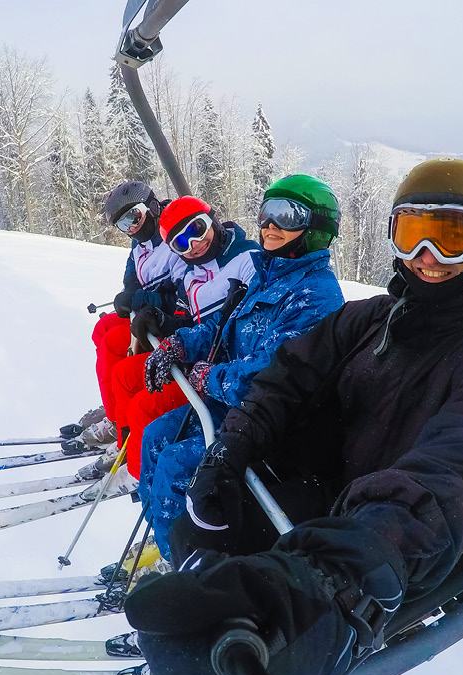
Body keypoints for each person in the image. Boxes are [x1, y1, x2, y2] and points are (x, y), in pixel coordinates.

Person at [123, 158, 463, 675]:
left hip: (370, 545)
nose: (427, 259)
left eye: (451, 239)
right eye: (413, 235)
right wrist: (230, 451)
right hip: (313, 496)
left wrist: (339, 573)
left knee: (262, 607)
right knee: (193, 530)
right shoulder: (371, 319)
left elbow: (460, 467)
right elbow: (285, 379)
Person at [134, 174, 346, 560]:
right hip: (235, 406)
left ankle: (193, 564)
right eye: (267, 213)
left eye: (287, 216)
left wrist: (206, 377)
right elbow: (225, 323)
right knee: (154, 437)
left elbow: (268, 377)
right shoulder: (269, 272)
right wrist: (179, 344)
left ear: (316, 227)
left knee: (176, 465)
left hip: (272, 424)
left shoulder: (313, 296)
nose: (269, 226)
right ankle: (170, 538)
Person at [104, 195, 261, 481]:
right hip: (196, 360)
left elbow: (235, 325)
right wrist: (162, 322)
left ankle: (138, 477)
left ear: (212, 219)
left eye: (196, 230)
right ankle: (127, 452)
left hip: (222, 370)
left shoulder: (248, 261)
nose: (193, 244)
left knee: (144, 406)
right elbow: (185, 317)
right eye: (180, 243)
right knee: (125, 373)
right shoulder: (191, 275)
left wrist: (186, 345)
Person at [60, 181, 182, 453]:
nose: (132, 229)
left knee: (115, 342)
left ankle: (124, 422)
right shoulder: (141, 244)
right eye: (124, 225)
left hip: (168, 319)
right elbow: (132, 274)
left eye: (134, 217)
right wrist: (130, 293)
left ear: (151, 207)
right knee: (102, 329)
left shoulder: (175, 235)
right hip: (147, 313)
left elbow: (183, 292)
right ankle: (116, 411)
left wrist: (141, 299)